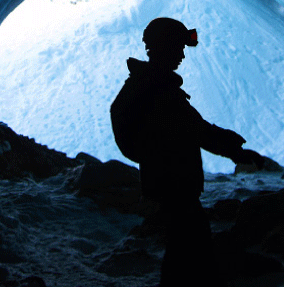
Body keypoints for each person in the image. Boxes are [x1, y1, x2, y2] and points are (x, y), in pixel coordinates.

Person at [110, 17, 264, 286]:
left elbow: (192, 128)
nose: (182, 55)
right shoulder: (159, 91)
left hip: (167, 181)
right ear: (164, 48)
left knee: (183, 247)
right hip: (175, 182)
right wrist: (234, 150)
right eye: (178, 48)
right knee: (189, 246)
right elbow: (196, 129)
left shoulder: (149, 85)